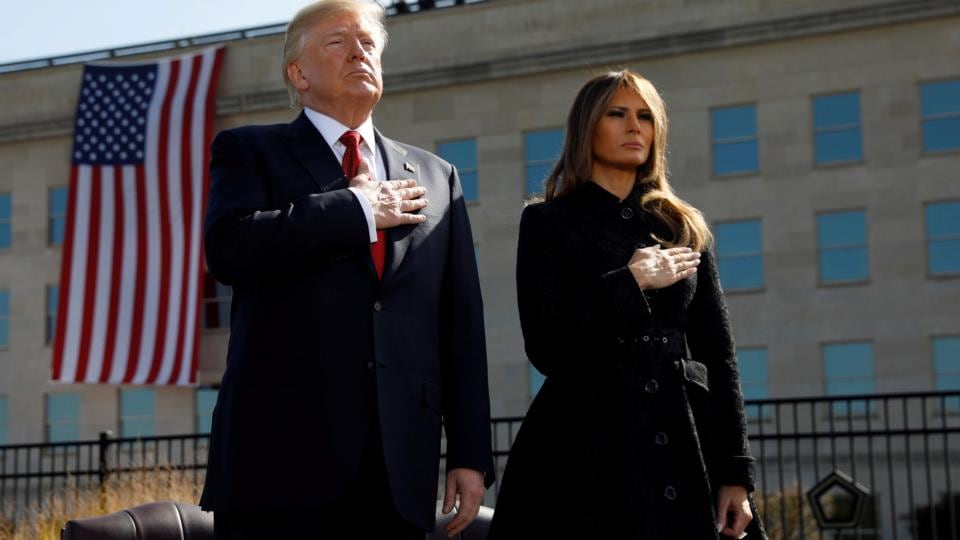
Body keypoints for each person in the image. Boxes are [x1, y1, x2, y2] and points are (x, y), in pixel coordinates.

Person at [198, 1, 494, 538]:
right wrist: (355, 211)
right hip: (277, 468)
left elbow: (461, 325)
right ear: (299, 73)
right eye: (337, 42)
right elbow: (228, 248)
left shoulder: (436, 174)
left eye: (368, 43)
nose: (359, 51)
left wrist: (470, 454)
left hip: (398, 470)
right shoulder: (250, 150)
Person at [488, 70, 768, 539]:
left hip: (683, 443)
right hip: (585, 444)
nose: (634, 127)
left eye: (645, 116)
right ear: (587, 128)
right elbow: (546, 346)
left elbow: (718, 354)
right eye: (617, 114)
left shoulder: (682, 224)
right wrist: (628, 282)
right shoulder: (547, 223)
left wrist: (736, 473)